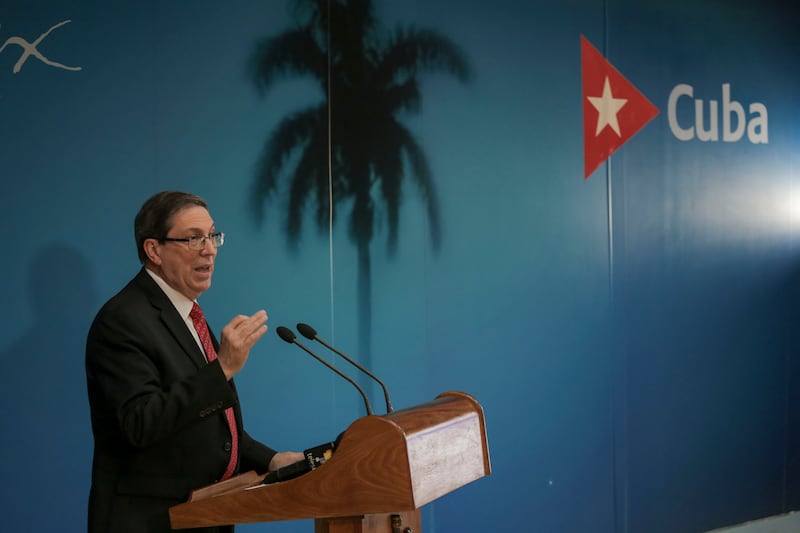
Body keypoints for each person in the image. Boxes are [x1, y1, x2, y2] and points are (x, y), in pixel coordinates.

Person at [85, 191, 303, 532]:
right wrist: (223, 369)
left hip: (204, 515)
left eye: (212, 235)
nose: (210, 249)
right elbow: (139, 423)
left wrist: (272, 460)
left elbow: (209, 427)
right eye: (193, 238)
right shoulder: (123, 320)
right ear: (154, 250)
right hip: (151, 521)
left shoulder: (186, 314)